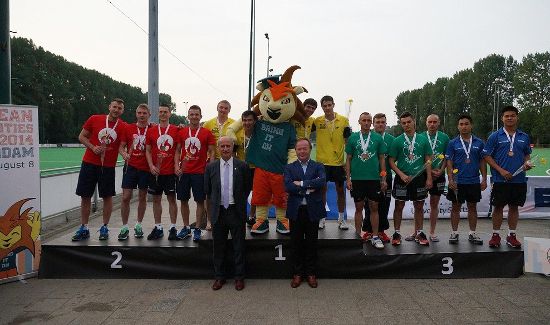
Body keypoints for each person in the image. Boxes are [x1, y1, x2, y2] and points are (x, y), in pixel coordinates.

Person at [72, 98, 126, 241]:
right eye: (114, 107)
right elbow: (81, 136)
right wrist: (93, 147)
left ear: (122, 111)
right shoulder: (95, 119)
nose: (116, 110)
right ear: (109, 107)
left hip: (108, 166)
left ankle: (104, 227)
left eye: (119, 108)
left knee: (107, 197)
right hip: (89, 163)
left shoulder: (123, 126)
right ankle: (84, 227)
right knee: (85, 196)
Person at [205, 136, 251, 291]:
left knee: (239, 246)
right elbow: (209, 192)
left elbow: (246, 188)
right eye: (222, 146)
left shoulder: (242, 166)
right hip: (218, 212)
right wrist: (209, 217)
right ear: (218, 148)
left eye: (228, 146)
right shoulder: (211, 167)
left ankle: (239, 278)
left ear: (233, 148)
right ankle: (219, 277)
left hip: (235, 211)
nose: (225, 149)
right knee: (218, 247)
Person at [482, 106, 532, 248]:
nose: (509, 118)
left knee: (514, 207)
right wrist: (501, 170)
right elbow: (486, 155)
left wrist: (527, 163)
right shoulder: (495, 136)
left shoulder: (524, 136)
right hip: (500, 179)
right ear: (502, 118)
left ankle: (512, 235)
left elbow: (527, 154)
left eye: (512, 115)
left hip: (519, 179)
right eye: (507, 116)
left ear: (517, 117)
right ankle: (495, 235)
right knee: (498, 207)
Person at [284, 138, 326, 288]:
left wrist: (301, 183)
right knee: (295, 243)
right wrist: (309, 186)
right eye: (299, 149)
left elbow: (322, 182)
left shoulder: (318, 166)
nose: (302, 151)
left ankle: (311, 274)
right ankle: (297, 274)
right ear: (295, 151)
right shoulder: (289, 167)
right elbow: (288, 186)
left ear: (310, 149)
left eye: (305, 148)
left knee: (311, 243)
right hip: (296, 211)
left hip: (312, 210)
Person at [388, 112, 433, 246]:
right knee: (399, 206)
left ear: (414, 121)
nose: (406, 125)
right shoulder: (397, 141)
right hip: (402, 178)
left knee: (419, 206)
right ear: (401, 124)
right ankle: (396, 233)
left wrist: (429, 178)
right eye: (403, 123)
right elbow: (391, 161)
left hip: (419, 178)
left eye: (409, 122)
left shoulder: (423, 139)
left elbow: (428, 160)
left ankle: (419, 232)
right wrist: (401, 174)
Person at [345, 112, 387, 249]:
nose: (367, 122)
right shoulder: (353, 138)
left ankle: (375, 236)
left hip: (373, 179)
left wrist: (383, 178)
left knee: (374, 207)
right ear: (359, 121)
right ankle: (357, 236)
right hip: (357, 179)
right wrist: (348, 178)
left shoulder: (378, 138)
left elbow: (382, 160)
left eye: (369, 120)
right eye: (364, 120)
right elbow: (349, 159)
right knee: (358, 208)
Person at [175, 105, 216, 241]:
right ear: (188, 116)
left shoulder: (206, 133)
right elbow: (177, 151)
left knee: (200, 201)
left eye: (196, 114)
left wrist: (209, 169)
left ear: (200, 116)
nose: (194, 117)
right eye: (191, 114)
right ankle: (186, 228)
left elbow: (212, 151)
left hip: (200, 172)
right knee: (183, 201)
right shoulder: (182, 132)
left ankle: (197, 228)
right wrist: (176, 166)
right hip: (184, 172)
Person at [445, 114, 487, 245]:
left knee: (472, 207)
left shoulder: (479, 143)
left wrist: (484, 178)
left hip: (474, 181)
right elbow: (449, 162)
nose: (464, 127)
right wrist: (451, 179)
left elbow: (482, 161)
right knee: (455, 207)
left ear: (471, 125)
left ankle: (472, 233)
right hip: (458, 182)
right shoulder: (452, 143)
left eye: (466, 124)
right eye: (461, 124)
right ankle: (454, 233)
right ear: (458, 126)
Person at [313, 95, 351, 230]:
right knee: (321, 191)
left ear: (333, 105)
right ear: (322, 107)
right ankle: (322, 219)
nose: (327, 108)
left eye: (329, 105)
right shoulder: (317, 121)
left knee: (340, 191)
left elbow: (347, 141)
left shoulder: (344, 120)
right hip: (322, 163)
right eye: (325, 106)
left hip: (338, 163)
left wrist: (347, 162)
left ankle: (341, 219)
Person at [117, 103, 152, 240]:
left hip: (145, 168)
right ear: (136, 114)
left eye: (144, 113)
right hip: (130, 167)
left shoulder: (153, 129)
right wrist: (124, 154)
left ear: (149, 115)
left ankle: (138, 225)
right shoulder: (128, 128)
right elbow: (121, 147)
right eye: (139, 113)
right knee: (126, 197)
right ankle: (124, 227)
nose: (142, 115)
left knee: (142, 197)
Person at [145, 104, 180, 240]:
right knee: (156, 199)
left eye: (166, 112)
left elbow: (178, 150)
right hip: (156, 172)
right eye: (161, 112)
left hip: (170, 172)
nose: (163, 114)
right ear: (158, 114)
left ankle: (172, 227)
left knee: (172, 199)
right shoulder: (152, 130)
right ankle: (158, 227)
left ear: (170, 114)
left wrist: (177, 166)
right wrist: (151, 166)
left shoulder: (176, 129)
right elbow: (147, 150)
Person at [362, 113, 395, 243]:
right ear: (373, 124)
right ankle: (368, 231)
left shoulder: (391, 140)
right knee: (368, 205)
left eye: (382, 122)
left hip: (385, 177)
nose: (380, 124)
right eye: (377, 122)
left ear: (385, 124)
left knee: (384, 204)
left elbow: (393, 159)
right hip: (369, 178)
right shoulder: (366, 138)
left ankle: (381, 231)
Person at [423, 114, 450, 242]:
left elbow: (446, 156)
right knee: (418, 204)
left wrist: (441, 170)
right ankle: (418, 231)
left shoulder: (444, 137)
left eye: (434, 122)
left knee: (434, 203)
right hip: (423, 175)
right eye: (430, 122)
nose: (432, 124)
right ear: (426, 123)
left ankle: (432, 232)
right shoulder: (420, 137)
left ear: (438, 123)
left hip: (438, 174)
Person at [234, 110, 258, 226]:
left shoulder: (259, 133)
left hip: (257, 168)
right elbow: (233, 154)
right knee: (240, 193)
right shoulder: (237, 134)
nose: (247, 123)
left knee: (256, 194)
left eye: (249, 120)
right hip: (242, 168)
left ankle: (252, 216)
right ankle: (240, 215)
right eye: (244, 120)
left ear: (254, 121)